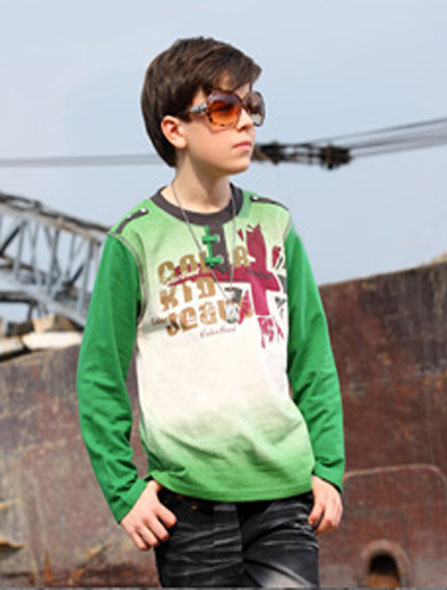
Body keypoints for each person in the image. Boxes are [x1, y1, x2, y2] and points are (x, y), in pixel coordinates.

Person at [76, 36, 345, 588]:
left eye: (252, 105)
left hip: (285, 499)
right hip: (188, 509)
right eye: (224, 108)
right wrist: (124, 492)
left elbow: (311, 358)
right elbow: (99, 377)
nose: (245, 121)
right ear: (175, 129)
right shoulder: (134, 242)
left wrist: (329, 468)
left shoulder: (276, 226)